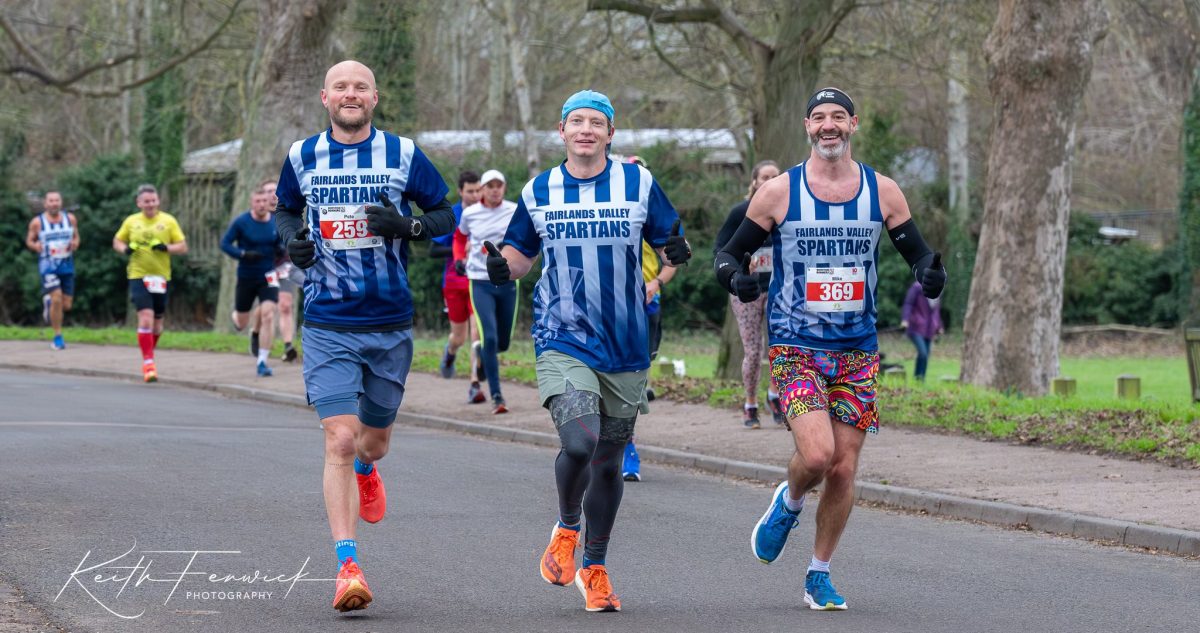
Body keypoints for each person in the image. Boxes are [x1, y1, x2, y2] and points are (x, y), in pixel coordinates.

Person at [714, 87, 945, 610]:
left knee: (842, 467)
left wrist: (930, 275)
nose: (829, 125)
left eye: (838, 116)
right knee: (817, 455)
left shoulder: (883, 192)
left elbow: (919, 255)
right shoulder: (779, 192)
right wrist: (736, 280)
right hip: (796, 344)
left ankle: (818, 574)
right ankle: (791, 499)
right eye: (819, 117)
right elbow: (729, 253)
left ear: (853, 124)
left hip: (857, 348)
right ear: (807, 126)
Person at [484, 89, 691, 613]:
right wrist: (501, 268)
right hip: (563, 335)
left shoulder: (638, 183)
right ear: (562, 130)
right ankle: (566, 527)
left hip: (626, 343)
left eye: (596, 122)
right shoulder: (539, 189)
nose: (586, 130)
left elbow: (670, 240)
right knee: (579, 442)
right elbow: (519, 256)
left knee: (608, 462)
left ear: (610, 133)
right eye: (576, 121)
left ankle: (595, 568)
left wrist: (677, 250)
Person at [273, 60, 456, 613]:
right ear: (325, 97)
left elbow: (444, 214)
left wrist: (408, 226)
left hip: (389, 322)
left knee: (371, 444)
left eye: (360, 87)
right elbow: (286, 212)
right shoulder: (302, 156)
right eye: (341, 87)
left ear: (374, 98)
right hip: (327, 321)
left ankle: (367, 470)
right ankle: (347, 566)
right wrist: (293, 241)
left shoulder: (403, 153)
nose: (350, 94)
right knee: (339, 438)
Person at [714, 160, 785, 429]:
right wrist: (737, 272)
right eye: (765, 177)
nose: (770, 181)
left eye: (775, 176)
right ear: (754, 182)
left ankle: (774, 395)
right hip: (748, 291)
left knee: (781, 347)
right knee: (754, 351)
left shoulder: (787, 213)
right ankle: (750, 403)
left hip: (778, 289)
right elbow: (720, 251)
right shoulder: (741, 213)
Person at [621, 155, 679, 483]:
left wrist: (655, 283)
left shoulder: (654, 218)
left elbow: (673, 261)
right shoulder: (614, 214)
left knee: (636, 377)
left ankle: (626, 442)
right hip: (611, 306)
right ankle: (612, 444)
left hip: (648, 304)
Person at [454, 168, 519, 414]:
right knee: (489, 337)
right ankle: (497, 397)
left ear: (504, 188)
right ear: (482, 189)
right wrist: (459, 258)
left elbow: (524, 240)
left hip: (507, 280)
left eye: (498, 185)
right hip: (479, 281)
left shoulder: (514, 210)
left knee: (502, 342)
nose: (494, 190)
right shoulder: (470, 213)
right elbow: (459, 238)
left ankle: (483, 354)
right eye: (489, 186)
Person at [113, 184, 189, 383]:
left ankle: (148, 354)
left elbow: (183, 246)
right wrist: (125, 249)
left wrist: (166, 248)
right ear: (139, 203)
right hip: (138, 275)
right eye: (146, 201)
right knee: (145, 319)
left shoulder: (168, 221)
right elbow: (117, 241)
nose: (150, 204)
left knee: (157, 325)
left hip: (161, 277)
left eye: (153, 200)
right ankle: (148, 363)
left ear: (158, 201)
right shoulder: (131, 221)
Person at [430, 171, 485, 401]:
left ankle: (474, 385)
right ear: (461, 192)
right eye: (470, 191)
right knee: (459, 337)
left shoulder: (487, 213)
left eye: (478, 190)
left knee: (476, 333)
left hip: (479, 281)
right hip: (453, 282)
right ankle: (450, 352)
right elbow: (433, 251)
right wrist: (461, 250)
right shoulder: (451, 215)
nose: (475, 195)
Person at [221, 188, 280, 376]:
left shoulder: (275, 221)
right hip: (246, 276)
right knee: (241, 322)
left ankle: (262, 361)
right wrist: (243, 254)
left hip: (269, 275)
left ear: (269, 202)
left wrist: (281, 248)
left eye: (264, 201)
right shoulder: (242, 222)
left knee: (269, 314)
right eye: (258, 201)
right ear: (251, 203)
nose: (261, 205)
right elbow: (225, 244)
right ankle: (244, 323)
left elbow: (281, 243)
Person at [25, 191, 79, 350]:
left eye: (57, 200)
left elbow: (76, 237)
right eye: (51, 200)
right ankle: (57, 337)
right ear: (45, 203)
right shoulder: (37, 222)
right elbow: (29, 240)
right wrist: (35, 246)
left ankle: (49, 304)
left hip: (67, 265)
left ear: (61, 202)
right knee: (56, 298)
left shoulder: (70, 219)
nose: (54, 203)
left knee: (66, 305)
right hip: (48, 266)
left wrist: (75, 243)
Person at [261, 179, 300, 362]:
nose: (272, 194)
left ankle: (288, 346)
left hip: (285, 267)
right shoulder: (257, 219)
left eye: (274, 190)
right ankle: (258, 337)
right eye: (267, 191)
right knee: (266, 309)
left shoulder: (287, 214)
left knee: (285, 305)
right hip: (265, 269)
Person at [901, 280, 943, 381]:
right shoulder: (917, 287)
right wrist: (905, 319)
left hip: (929, 329)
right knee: (923, 353)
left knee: (925, 355)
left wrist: (939, 326)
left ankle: (920, 380)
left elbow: (936, 311)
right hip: (916, 326)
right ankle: (918, 378)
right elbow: (908, 304)